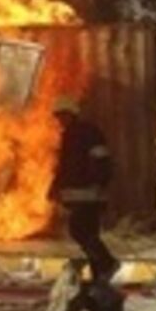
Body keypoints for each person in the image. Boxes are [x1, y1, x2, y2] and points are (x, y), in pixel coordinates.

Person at [50, 95, 118, 283]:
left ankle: (107, 262)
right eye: (58, 117)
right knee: (88, 233)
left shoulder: (88, 133)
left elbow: (101, 159)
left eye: (62, 116)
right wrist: (55, 187)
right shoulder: (70, 134)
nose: (59, 120)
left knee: (79, 230)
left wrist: (99, 182)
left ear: (72, 114)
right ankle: (100, 273)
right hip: (80, 194)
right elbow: (65, 166)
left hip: (89, 193)